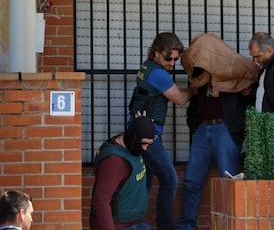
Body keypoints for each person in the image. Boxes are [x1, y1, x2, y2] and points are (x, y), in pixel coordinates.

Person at [175, 33, 260, 230]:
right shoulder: (197, 74)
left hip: (225, 128)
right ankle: (186, 226)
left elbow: (250, 96)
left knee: (229, 181)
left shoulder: (232, 72)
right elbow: (194, 102)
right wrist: (194, 124)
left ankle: (231, 225)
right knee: (191, 182)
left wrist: (245, 94)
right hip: (202, 129)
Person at [127, 32, 194, 230]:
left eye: (175, 59)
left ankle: (135, 224)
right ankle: (164, 225)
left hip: (139, 130)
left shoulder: (147, 67)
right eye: (168, 58)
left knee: (144, 182)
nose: (172, 63)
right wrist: (195, 88)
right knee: (170, 179)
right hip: (148, 135)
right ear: (157, 53)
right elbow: (180, 99)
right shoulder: (158, 74)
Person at [89, 115, 155, 230]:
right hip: (119, 226)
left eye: (149, 144)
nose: (145, 148)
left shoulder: (130, 146)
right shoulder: (114, 161)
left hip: (135, 223)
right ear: (133, 137)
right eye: (143, 143)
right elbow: (101, 199)